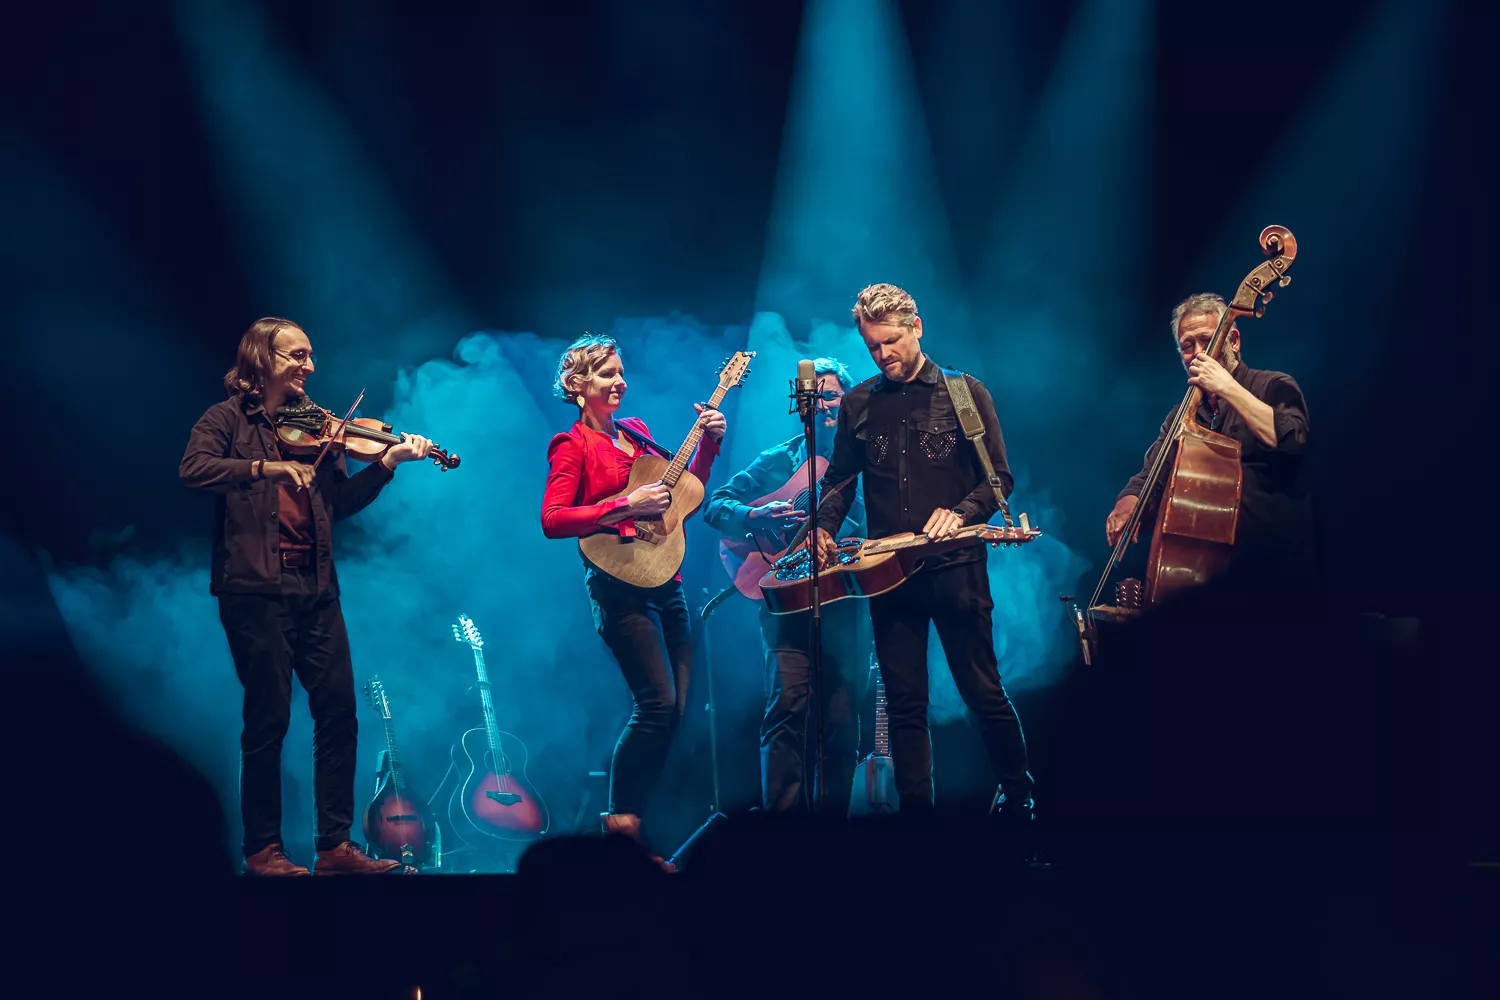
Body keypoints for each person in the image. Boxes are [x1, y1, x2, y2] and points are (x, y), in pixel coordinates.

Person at [180, 316, 434, 875]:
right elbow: (193, 469)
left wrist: (388, 464)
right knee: (268, 719)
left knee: (339, 712)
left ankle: (334, 846)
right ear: (261, 360)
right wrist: (265, 467)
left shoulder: (318, 426)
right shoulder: (225, 419)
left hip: (315, 587)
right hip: (254, 589)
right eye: (296, 356)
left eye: (310, 356)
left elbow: (336, 505)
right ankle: (263, 851)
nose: (309, 366)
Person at [812, 284, 1034, 820]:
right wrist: (822, 525)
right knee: (905, 703)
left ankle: (1019, 793)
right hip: (889, 575)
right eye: (872, 347)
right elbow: (841, 480)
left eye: (891, 342)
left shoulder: (964, 392)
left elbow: (999, 479)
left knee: (983, 691)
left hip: (956, 568)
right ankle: (918, 822)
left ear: (917, 328)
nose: (883, 355)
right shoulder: (859, 402)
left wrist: (961, 512)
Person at [540, 334, 726, 864]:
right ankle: (621, 832)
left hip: (668, 583)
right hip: (618, 585)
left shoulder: (637, 434)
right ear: (578, 386)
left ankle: (635, 832)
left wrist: (709, 442)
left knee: (679, 708)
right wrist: (622, 504)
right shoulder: (571, 444)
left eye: (620, 371)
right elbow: (553, 520)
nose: (618, 381)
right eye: (605, 374)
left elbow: (684, 493)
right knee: (656, 704)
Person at [703, 357, 869, 815]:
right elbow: (716, 505)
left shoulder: (869, 459)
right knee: (786, 711)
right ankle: (782, 831)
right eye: (815, 398)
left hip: (846, 602)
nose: (825, 405)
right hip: (782, 603)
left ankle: (833, 829)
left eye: (832, 395)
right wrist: (755, 516)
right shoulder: (779, 459)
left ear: (850, 401)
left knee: (840, 717)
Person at [1105, 292, 1314, 578]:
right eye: (1187, 346)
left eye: (1207, 339)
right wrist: (1127, 506)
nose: (1198, 353)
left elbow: (1294, 441)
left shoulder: (1273, 386)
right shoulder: (1181, 416)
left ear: (1234, 341)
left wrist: (1227, 387)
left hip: (1275, 567)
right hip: (1208, 573)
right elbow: (1149, 478)